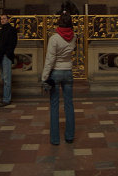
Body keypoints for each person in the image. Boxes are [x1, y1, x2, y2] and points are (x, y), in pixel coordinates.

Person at [42, 11, 76, 145]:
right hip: (68, 71)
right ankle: (69, 136)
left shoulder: (54, 38)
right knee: (69, 104)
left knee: (54, 105)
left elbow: (50, 59)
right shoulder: (74, 37)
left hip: (56, 72)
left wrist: (45, 76)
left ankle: (55, 139)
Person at [0, 15, 18, 107]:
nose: (2, 20)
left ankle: (6, 99)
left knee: (7, 79)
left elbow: (13, 43)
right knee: (4, 78)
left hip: (6, 56)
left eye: (4, 19)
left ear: (8, 20)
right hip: (0, 57)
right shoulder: (1, 31)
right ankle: (6, 97)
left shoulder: (12, 30)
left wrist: (7, 53)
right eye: (1, 19)